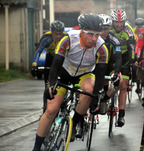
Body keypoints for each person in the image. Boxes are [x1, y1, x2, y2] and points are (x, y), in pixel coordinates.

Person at [32, 13, 109, 151]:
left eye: (97, 35)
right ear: (81, 30)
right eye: (90, 34)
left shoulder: (101, 47)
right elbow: (55, 65)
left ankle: (74, 124)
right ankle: (36, 147)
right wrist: (51, 86)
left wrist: (95, 98)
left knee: (89, 91)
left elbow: (100, 74)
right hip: (64, 71)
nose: (94, 38)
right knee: (51, 110)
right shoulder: (67, 39)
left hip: (85, 73)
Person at [31, 20, 66, 113]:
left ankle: (63, 102)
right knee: (48, 85)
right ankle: (45, 106)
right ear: (51, 32)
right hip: (50, 58)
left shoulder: (66, 37)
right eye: (55, 34)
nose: (58, 36)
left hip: (62, 59)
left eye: (60, 34)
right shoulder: (47, 38)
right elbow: (38, 51)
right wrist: (34, 65)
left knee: (64, 83)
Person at [109, 9, 136, 127]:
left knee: (123, 86)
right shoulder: (107, 29)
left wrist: (133, 60)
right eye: (116, 22)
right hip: (110, 56)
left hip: (124, 57)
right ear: (112, 21)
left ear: (124, 21)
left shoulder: (128, 31)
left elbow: (132, 47)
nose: (118, 25)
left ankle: (121, 115)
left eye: (121, 22)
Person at [133, 18, 144, 94]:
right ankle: (137, 84)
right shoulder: (134, 31)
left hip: (143, 47)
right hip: (136, 47)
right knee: (135, 65)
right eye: (138, 26)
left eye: (141, 26)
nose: (139, 28)